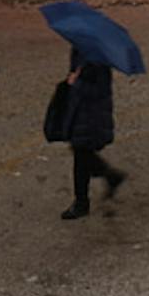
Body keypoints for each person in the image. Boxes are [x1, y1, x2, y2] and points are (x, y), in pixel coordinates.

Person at [48, 56, 125, 218]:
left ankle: (82, 202)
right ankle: (108, 177)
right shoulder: (83, 52)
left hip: (91, 116)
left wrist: (76, 83)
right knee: (82, 153)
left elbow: (100, 90)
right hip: (81, 113)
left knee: (81, 155)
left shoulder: (98, 59)